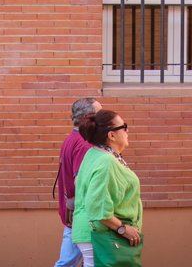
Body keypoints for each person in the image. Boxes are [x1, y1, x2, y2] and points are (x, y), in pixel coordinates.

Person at [71, 109, 143, 267]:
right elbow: (97, 208)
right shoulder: (106, 162)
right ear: (112, 135)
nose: (127, 131)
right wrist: (123, 229)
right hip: (101, 233)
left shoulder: (94, 154)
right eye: (124, 127)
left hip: (94, 232)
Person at [54, 98, 102, 267]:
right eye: (99, 114)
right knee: (68, 263)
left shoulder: (71, 139)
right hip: (78, 214)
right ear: (88, 117)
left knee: (69, 262)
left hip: (73, 213)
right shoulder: (84, 144)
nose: (102, 119)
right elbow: (80, 183)